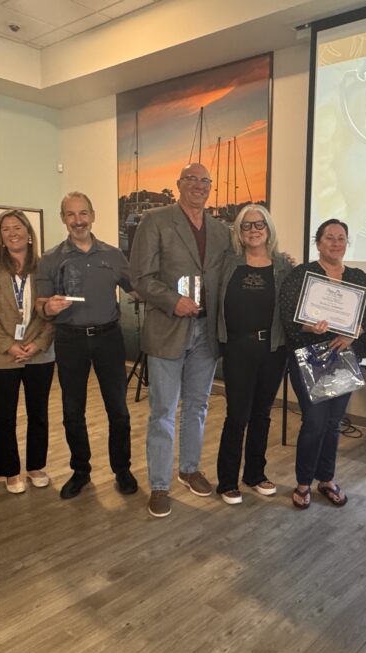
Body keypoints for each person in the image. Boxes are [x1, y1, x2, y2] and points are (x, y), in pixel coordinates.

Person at [129, 164, 232, 518]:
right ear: (179, 184)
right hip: (169, 327)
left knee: (198, 406)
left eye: (205, 181)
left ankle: (189, 468)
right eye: (191, 180)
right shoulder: (155, 221)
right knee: (162, 411)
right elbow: (140, 277)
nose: (198, 186)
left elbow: (234, 271)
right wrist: (174, 300)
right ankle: (159, 485)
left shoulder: (221, 230)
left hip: (206, 333)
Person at [37, 192, 137, 500]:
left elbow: (139, 290)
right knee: (72, 411)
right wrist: (48, 308)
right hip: (70, 340)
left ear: (92, 215)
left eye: (83, 213)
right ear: (63, 219)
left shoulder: (114, 256)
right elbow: (40, 306)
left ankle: (122, 469)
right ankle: (81, 471)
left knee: (118, 410)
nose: (78, 220)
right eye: (71, 214)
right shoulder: (51, 259)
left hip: (109, 338)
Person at [280, 218, 366, 510]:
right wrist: (312, 328)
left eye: (341, 238)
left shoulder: (359, 277)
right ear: (318, 243)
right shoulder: (302, 274)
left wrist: (352, 333)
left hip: (344, 356)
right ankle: (304, 483)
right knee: (314, 422)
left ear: (347, 243)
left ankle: (326, 480)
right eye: (329, 237)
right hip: (310, 356)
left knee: (334, 423)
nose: (336, 243)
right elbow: (288, 315)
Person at [214, 204, 291, 505]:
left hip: (273, 349)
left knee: (262, 414)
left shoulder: (284, 266)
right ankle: (227, 481)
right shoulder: (227, 263)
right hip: (237, 348)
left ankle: (255, 475)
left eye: (259, 224)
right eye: (246, 226)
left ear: (269, 228)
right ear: (238, 231)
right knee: (237, 415)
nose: (253, 230)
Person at [0, 210, 55, 495]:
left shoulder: (44, 266)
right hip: (1, 354)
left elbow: (51, 311)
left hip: (39, 353)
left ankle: (35, 466)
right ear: (0, 236)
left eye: (17, 227)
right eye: (5, 229)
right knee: (5, 415)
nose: (12, 233)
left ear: (29, 232)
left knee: (39, 413)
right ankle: (10, 471)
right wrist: (9, 345)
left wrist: (37, 344)